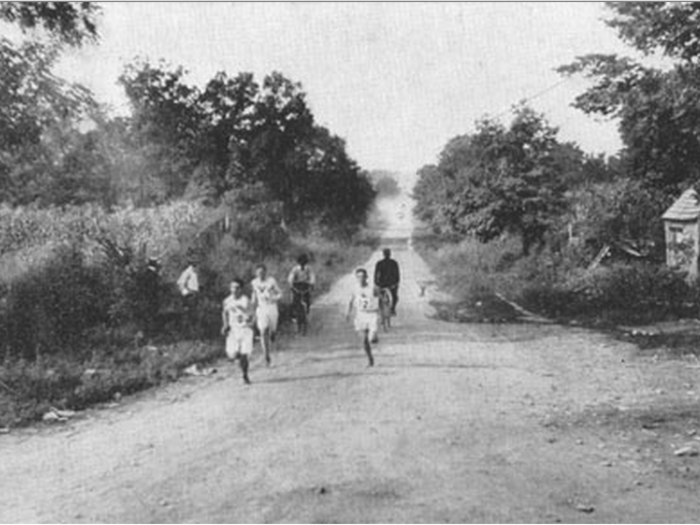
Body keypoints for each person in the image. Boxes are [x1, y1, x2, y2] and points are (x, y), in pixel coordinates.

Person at [222, 279, 254, 385]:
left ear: (241, 289)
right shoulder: (227, 300)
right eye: (232, 287)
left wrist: (248, 317)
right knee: (231, 355)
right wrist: (225, 324)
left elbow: (250, 313)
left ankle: (245, 374)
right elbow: (224, 312)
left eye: (237, 287)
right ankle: (239, 358)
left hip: (245, 329)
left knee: (245, 354)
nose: (234, 290)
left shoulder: (245, 300)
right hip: (233, 329)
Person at [251, 264, 283, 366]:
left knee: (272, 329)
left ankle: (273, 333)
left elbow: (280, 293)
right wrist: (251, 305)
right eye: (259, 272)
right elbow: (254, 295)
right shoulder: (254, 282)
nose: (261, 274)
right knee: (263, 330)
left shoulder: (271, 281)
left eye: (263, 272)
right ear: (256, 273)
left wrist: (274, 298)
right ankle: (266, 356)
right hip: (261, 309)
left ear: (266, 272)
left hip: (272, 307)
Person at [346, 268, 379, 367]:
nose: (361, 279)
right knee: (364, 341)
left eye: (363, 276)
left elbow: (379, 300)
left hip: (371, 315)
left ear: (367, 277)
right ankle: (370, 359)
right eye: (359, 277)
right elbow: (350, 301)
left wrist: (381, 313)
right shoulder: (354, 289)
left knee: (371, 338)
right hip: (360, 315)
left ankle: (374, 336)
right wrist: (347, 313)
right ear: (356, 278)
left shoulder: (372, 288)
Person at [287, 253, 316, 318]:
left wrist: (312, 283)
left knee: (307, 298)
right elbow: (291, 277)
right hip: (297, 285)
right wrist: (291, 284)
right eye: (301, 262)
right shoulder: (295, 269)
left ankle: (307, 310)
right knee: (293, 300)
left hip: (305, 285)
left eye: (304, 262)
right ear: (298, 262)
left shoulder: (308, 269)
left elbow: (312, 276)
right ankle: (292, 315)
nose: (302, 264)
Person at [177, 260, 200, 338]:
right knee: (188, 314)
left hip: (195, 295)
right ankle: (185, 333)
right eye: (195, 263)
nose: (196, 265)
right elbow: (180, 283)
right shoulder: (187, 271)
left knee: (193, 314)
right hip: (190, 296)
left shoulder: (195, 272)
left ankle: (192, 333)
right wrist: (186, 293)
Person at [374, 248, 400, 316]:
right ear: (390, 254)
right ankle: (392, 309)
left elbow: (376, 274)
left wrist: (376, 283)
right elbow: (397, 274)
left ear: (383, 254)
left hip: (382, 284)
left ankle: (380, 309)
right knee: (395, 297)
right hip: (391, 284)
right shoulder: (394, 263)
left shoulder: (379, 263)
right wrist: (396, 283)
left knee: (379, 296)